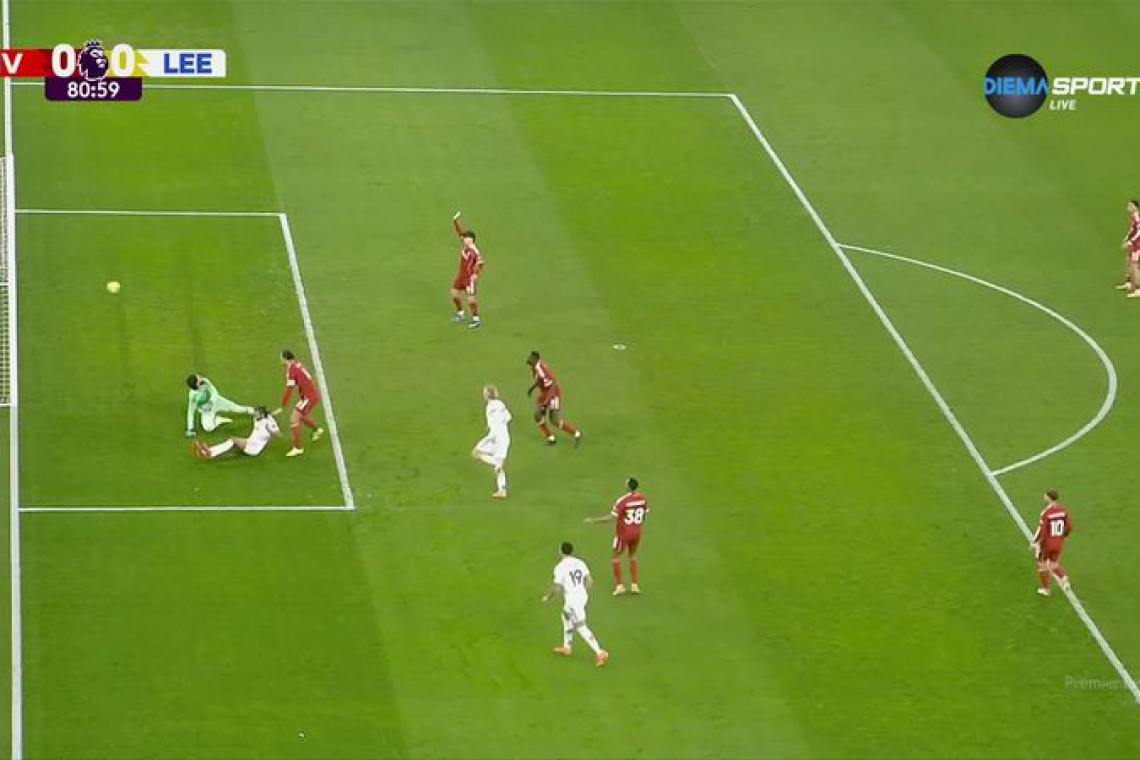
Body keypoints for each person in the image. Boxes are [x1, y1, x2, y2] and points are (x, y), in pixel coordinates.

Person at [542, 541, 609, 667]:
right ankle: (567, 647)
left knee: (581, 626)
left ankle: (599, 652)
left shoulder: (560, 567)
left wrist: (548, 597)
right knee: (565, 615)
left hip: (573, 600)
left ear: (561, 551)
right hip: (581, 596)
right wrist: (583, 592)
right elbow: (589, 580)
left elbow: (557, 587)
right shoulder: (580, 562)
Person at [586, 477, 650, 595]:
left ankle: (619, 586)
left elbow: (612, 517)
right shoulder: (643, 499)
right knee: (633, 556)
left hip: (624, 533)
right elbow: (645, 513)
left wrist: (593, 520)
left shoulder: (623, 501)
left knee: (615, 557)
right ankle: (634, 585)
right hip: (637, 532)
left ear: (628, 487)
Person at [274, 350, 324, 458]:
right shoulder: (298, 364)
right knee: (302, 416)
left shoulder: (291, 370)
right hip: (309, 395)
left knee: (294, 418)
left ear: (285, 359)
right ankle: (317, 430)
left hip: (308, 397)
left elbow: (289, 389)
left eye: (281, 358)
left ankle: (297, 448)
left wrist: (282, 406)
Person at [526, 351, 582, 446]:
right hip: (545, 393)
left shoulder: (541, 370)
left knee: (554, 420)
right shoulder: (535, 367)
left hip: (553, 394)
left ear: (535, 359)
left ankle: (577, 434)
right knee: (537, 415)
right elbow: (540, 380)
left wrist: (545, 404)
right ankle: (550, 438)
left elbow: (552, 386)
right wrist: (532, 388)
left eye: (530, 358)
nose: (528, 359)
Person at [193, 406, 284, 459]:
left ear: (262, 415)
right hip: (250, 442)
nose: (255, 415)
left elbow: (280, 436)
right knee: (230, 446)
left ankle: (209, 453)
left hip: (255, 447)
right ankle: (206, 452)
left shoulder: (270, 424)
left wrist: (270, 430)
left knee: (233, 440)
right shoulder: (259, 417)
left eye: (257, 413)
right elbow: (268, 414)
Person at [472, 384, 511, 498]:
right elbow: (508, 417)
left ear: (487, 395)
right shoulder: (500, 403)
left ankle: (498, 466)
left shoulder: (490, 407)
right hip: (504, 436)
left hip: (496, 438)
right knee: (497, 465)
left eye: (484, 392)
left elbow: (495, 430)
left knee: (476, 453)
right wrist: (495, 425)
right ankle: (502, 490)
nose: (483, 394)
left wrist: (482, 442)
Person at [185, 374, 255, 437]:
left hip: (217, 402)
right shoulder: (193, 395)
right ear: (197, 384)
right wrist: (190, 428)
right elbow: (191, 410)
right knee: (208, 428)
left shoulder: (205, 381)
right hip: (207, 411)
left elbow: (214, 392)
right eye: (198, 378)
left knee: (237, 408)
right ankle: (218, 419)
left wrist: (211, 402)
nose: (200, 377)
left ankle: (252, 410)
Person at [1031, 490, 1072, 596]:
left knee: (1042, 565)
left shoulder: (1046, 513)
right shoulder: (1063, 510)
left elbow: (1042, 530)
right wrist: (1065, 536)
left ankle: (1046, 589)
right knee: (1053, 563)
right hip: (1059, 543)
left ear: (1049, 498)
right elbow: (1070, 526)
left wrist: (1036, 542)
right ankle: (1064, 578)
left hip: (1047, 544)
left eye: (1045, 496)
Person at [449, 211, 484, 328]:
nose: (464, 239)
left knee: (471, 299)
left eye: (467, 238)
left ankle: (476, 319)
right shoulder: (465, 245)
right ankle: (461, 314)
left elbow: (480, 263)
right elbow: (460, 232)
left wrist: (475, 274)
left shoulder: (474, 251)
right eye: (465, 238)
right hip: (461, 276)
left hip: (469, 278)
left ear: (472, 240)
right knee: (454, 293)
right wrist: (455, 221)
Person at [1119, 200, 1140, 295]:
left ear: (1135, 207)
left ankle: (1138, 289)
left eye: (1130, 205)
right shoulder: (1132, 216)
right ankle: (1129, 282)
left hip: (1137, 244)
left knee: (1134, 265)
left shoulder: (1137, 217)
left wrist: (1131, 241)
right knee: (1128, 260)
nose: (1128, 207)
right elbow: (1132, 229)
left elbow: (1139, 232)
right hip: (1133, 242)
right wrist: (1127, 237)